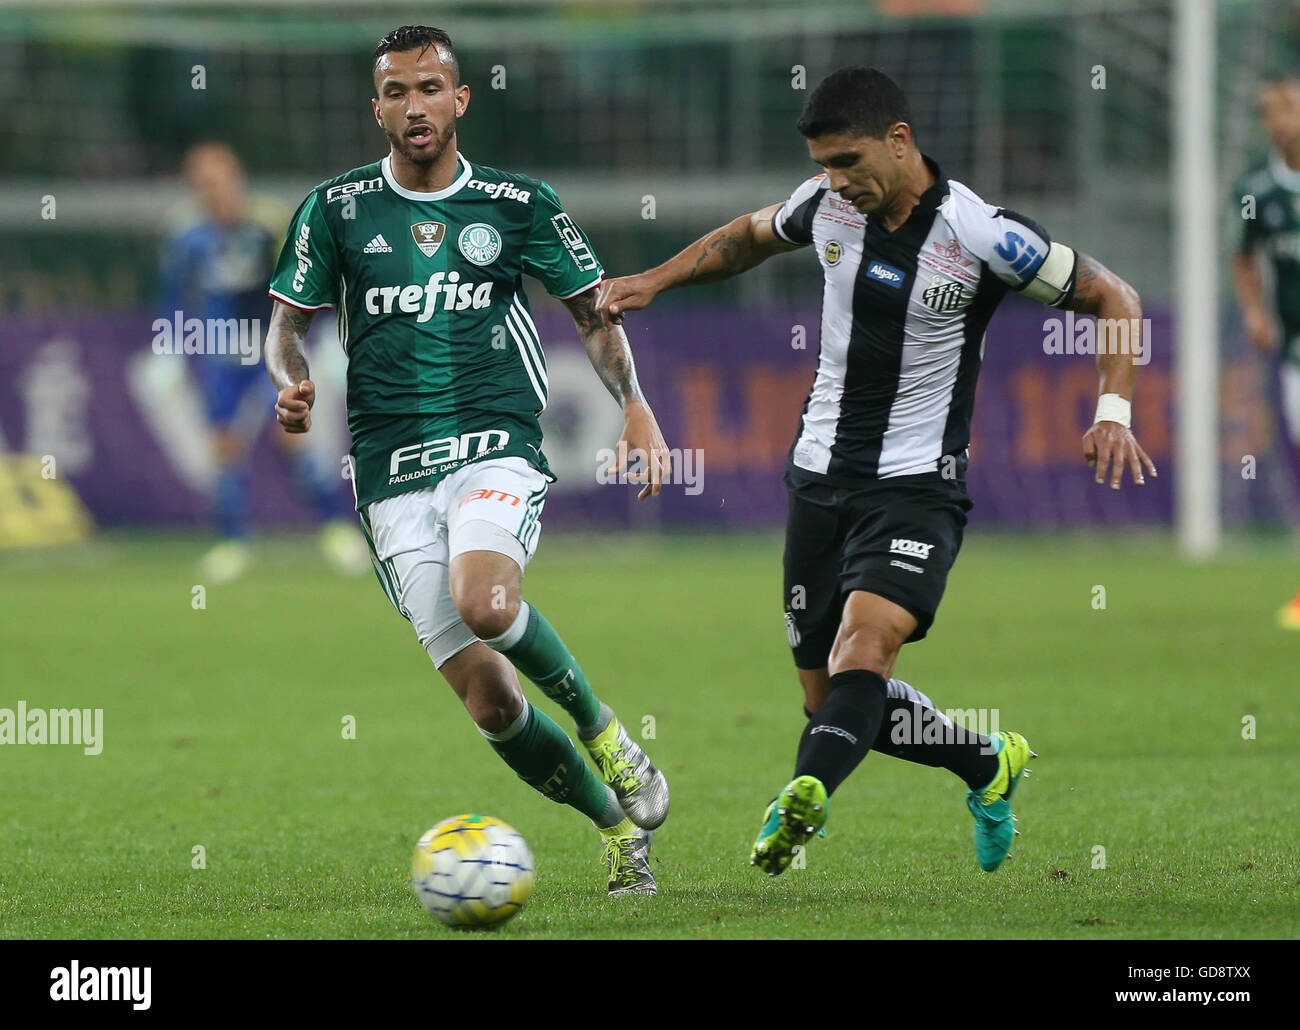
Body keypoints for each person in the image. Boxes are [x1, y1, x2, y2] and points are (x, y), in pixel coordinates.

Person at [599, 67, 1155, 874]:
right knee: (828, 702)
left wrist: (1113, 413)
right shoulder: (826, 202)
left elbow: (1117, 299)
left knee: (865, 652)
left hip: (918, 487)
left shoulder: (981, 232)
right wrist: (655, 279)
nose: (836, 181)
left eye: (848, 161)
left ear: (900, 142)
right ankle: (983, 763)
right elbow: (748, 238)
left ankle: (801, 799)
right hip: (818, 478)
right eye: (824, 164)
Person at [264, 26, 671, 895]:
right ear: (376, 107)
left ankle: (607, 732)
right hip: (388, 474)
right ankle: (613, 828)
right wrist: (291, 382)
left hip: (494, 441)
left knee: (486, 600)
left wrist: (634, 406)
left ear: (461, 99)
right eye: (397, 92)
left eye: (430, 89)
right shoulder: (333, 210)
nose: (415, 106)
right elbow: (284, 330)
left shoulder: (519, 203)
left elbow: (594, 317)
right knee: (490, 703)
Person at [161, 141, 366, 582]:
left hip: (273, 345)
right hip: (223, 348)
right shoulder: (188, 236)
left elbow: (312, 276)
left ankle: (335, 528)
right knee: (225, 447)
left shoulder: (269, 223)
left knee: (291, 437)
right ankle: (233, 541)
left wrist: (326, 334)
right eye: (201, 183)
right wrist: (170, 348)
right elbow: (173, 296)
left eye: (217, 180)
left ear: (235, 179)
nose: (210, 190)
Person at [1233, 73, 1300, 629]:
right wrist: (1255, 310)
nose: (1279, 120)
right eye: (1270, 111)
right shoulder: (1258, 189)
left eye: (1288, 108)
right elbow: (1242, 254)